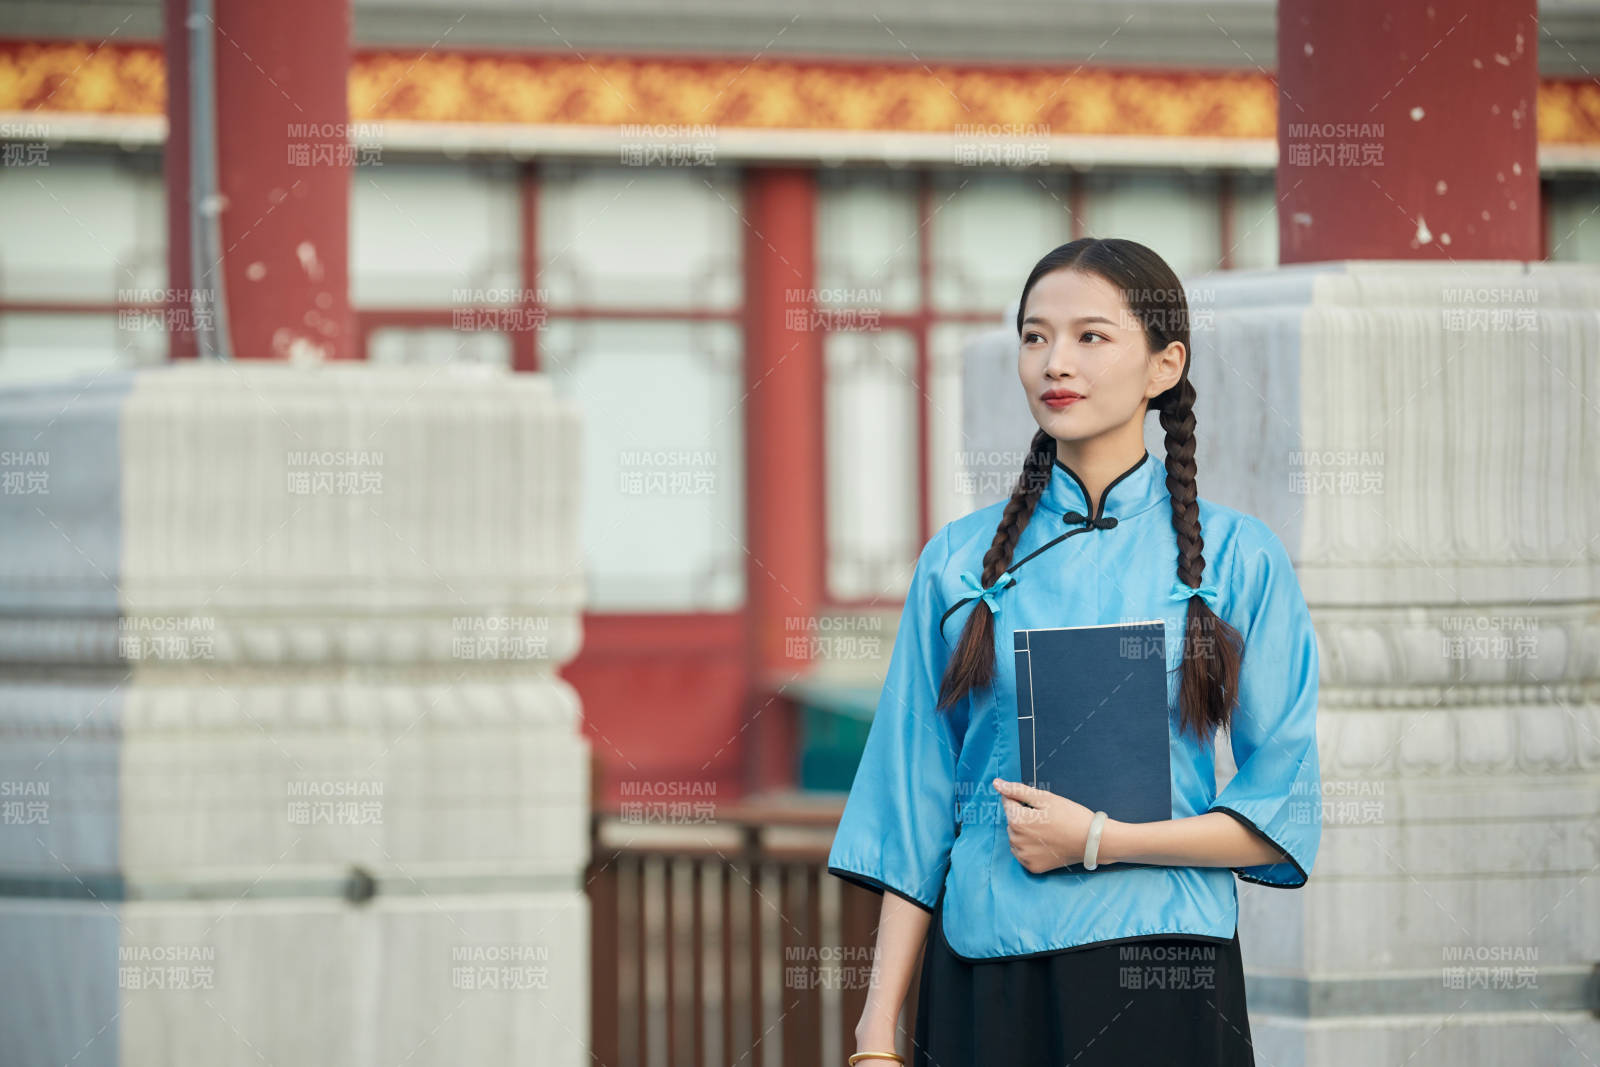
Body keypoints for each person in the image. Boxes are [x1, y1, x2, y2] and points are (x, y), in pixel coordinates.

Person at [828, 238, 1322, 1066]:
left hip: (1165, 968)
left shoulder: (1240, 559)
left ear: (1165, 365)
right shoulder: (956, 561)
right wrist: (877, 1029)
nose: (1055, 361)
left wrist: (1099, 837)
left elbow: (1281, 815)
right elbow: (909, 810)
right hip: (990, 968)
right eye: (1034, 336)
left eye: (1091, 336)